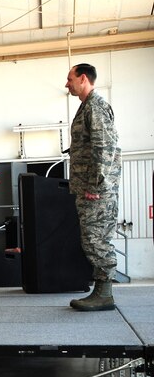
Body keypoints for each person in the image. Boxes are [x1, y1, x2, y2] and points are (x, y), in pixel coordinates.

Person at [65, 63, 122, 311]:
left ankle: (104, 294)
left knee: (96, 240)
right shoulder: (86, 107)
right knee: (91, 239)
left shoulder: (96, 107)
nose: (67, 84)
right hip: (87, 187)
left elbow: (104, 148)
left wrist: (96, 185)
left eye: (70, 79)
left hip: (96, 190)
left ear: (83, 78)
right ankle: (100, 290)